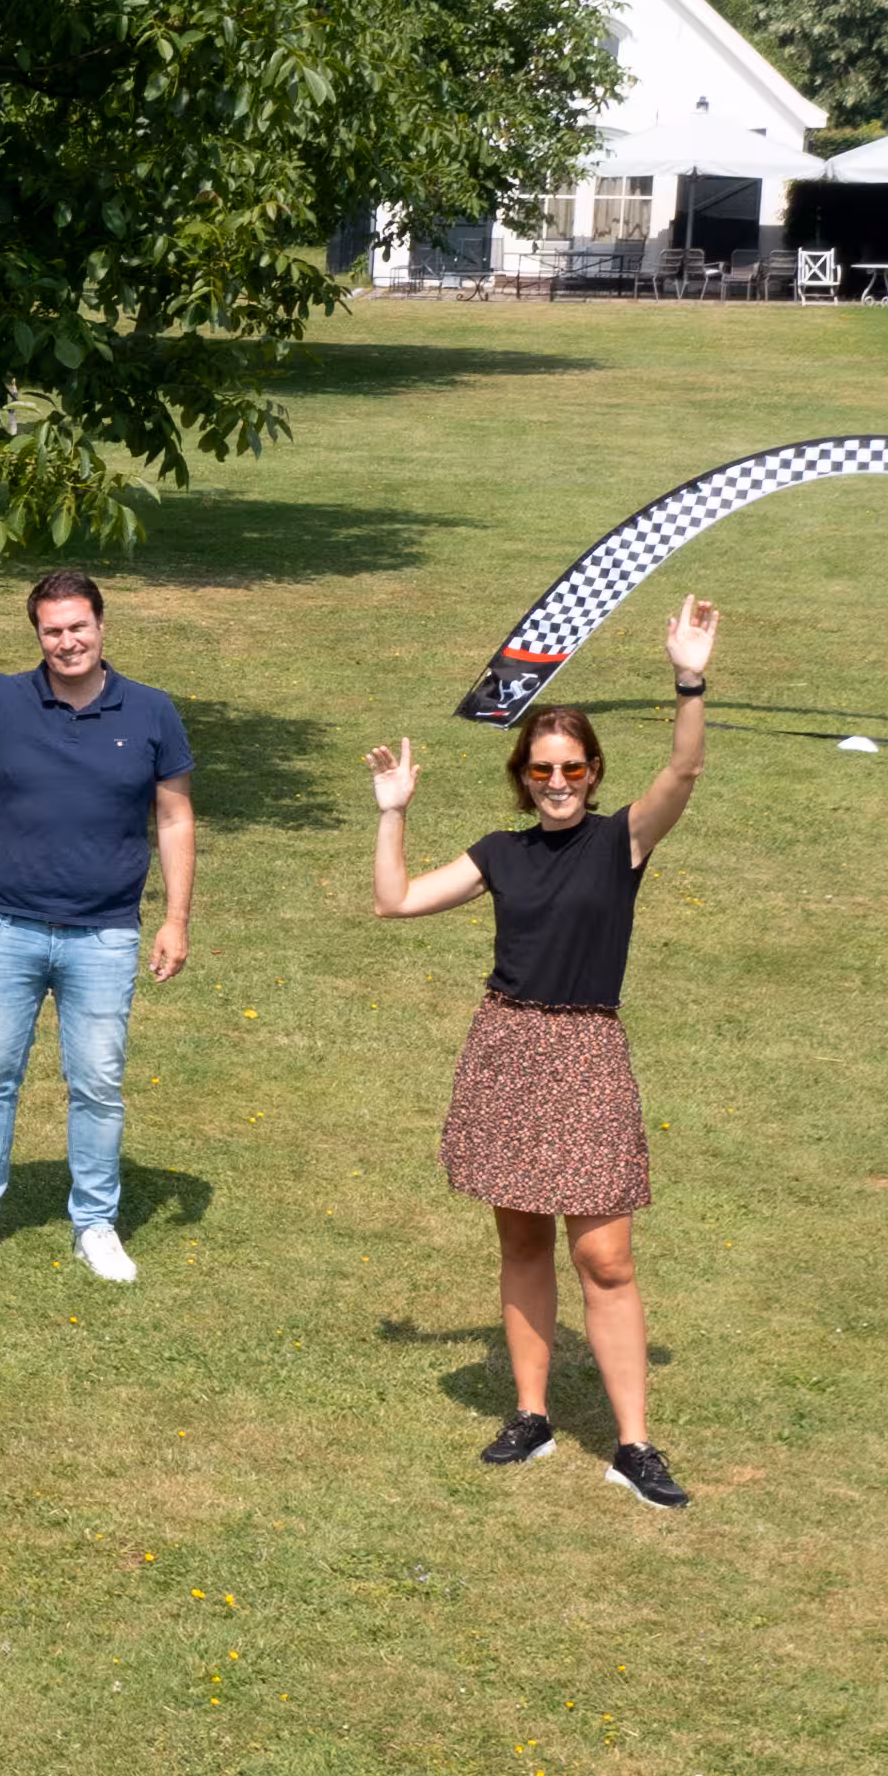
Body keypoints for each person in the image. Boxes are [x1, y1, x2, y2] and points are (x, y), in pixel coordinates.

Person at [368, 597, 721, 1511]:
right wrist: (393, 813)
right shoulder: (501, 853)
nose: (557, 781)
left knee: (606, 1258)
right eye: (541, 769)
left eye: (571, 768)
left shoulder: (622, 841)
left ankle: (634, 1444)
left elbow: (684, 769)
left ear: (594, 773)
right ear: (522, 778)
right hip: (509, 1049)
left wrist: (689, 679)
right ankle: (532, 1416)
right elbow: (395, 901)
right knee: (522, 1239)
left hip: (587, 1053)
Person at [0, 568, 198, 1283]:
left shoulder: (151, 711)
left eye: (78, 627)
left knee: (97, 1084)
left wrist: (175, 919)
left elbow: (175, 817)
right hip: (5, 927)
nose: (67, 642)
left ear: (101, 626)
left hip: (104, 934)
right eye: (53, 630)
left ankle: (95, 1225)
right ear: (38, 634)